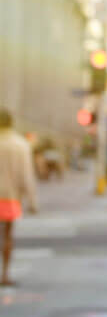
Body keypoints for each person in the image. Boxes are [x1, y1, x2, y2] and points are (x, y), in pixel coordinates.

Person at [0, 108, 39, 286]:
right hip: (9, 196)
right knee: (8, 235)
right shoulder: (20, 144)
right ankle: (5, 274)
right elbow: (26, 175)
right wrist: (32, 201)